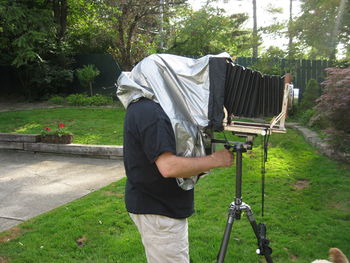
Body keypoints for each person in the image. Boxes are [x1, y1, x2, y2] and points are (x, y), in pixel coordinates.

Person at [123, 97, 233, 263]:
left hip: (155, 204)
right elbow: (169, 167)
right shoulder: (152, 112)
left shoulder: (145, 106)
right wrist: (216, 160)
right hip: (159, 209)